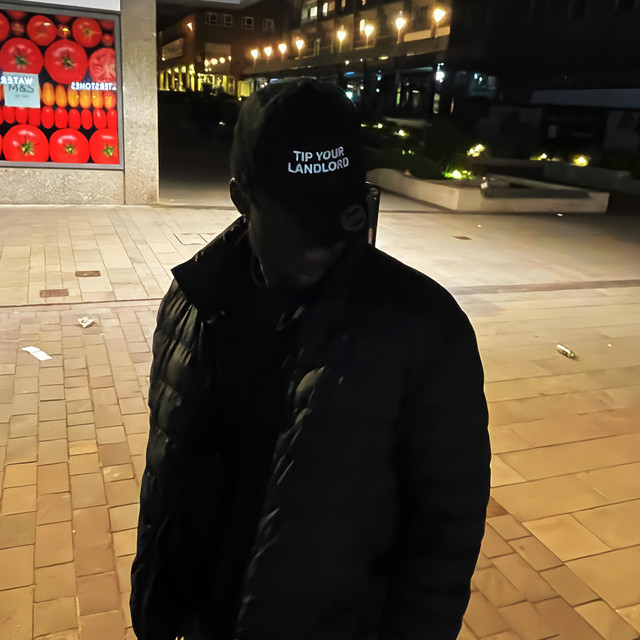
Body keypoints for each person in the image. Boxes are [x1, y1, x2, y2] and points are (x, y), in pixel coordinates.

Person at [130, 78, 490, 640]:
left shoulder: (425, 330)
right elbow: (167, 475)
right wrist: (153, 603)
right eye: (299, 221)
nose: (325, 244)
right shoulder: (192, 301)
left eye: (340, 216)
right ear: (241, 198)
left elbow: (444, 539)